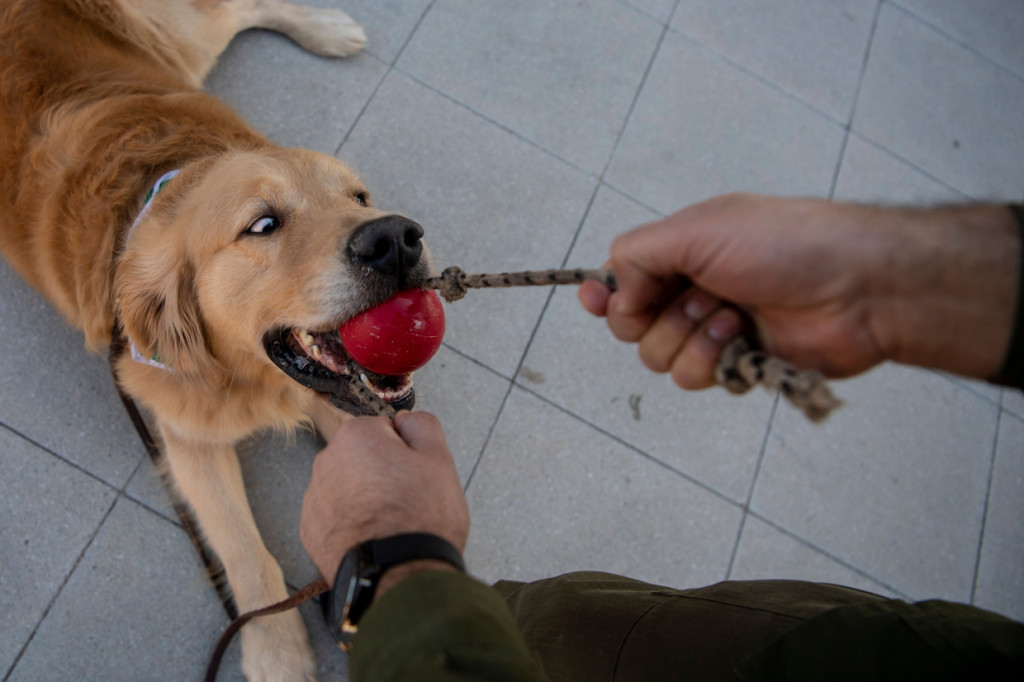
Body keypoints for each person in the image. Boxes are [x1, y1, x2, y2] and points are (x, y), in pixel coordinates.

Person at [300, 194, 1024, 681]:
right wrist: (889, 273)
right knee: (566, 617)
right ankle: (472, 618)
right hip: (899, 649)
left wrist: (395, 570)